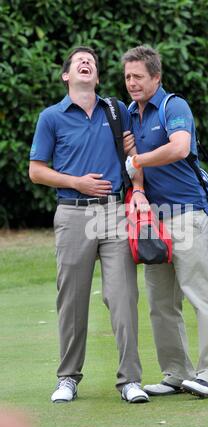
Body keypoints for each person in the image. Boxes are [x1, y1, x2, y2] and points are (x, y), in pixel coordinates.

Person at [29, 46, 149, 404]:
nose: (86, 63)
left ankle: (130, 380)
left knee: (123, 297)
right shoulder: (51, 117)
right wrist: (76, 182)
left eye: (92, 63)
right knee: (72, 300)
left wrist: (137, 178)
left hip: (114, 213)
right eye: (79, 61)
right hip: (72, 213)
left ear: (96, 77)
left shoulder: (115, 111)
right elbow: (36, 171)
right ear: (67, 75)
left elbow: (134, 158)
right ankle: (68, 378)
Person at [121, 45, 208, 398]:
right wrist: (136, 180)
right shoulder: (132, 116)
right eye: (127, 77)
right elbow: (137, 168)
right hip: (154, 220)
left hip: (187, 213)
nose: (132, 83)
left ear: (156, 77)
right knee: (161, 302)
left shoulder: (173, 106)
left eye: (138, 76)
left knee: (200, 294)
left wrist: (139, 160)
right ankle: (177, 374)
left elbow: (179, 147)